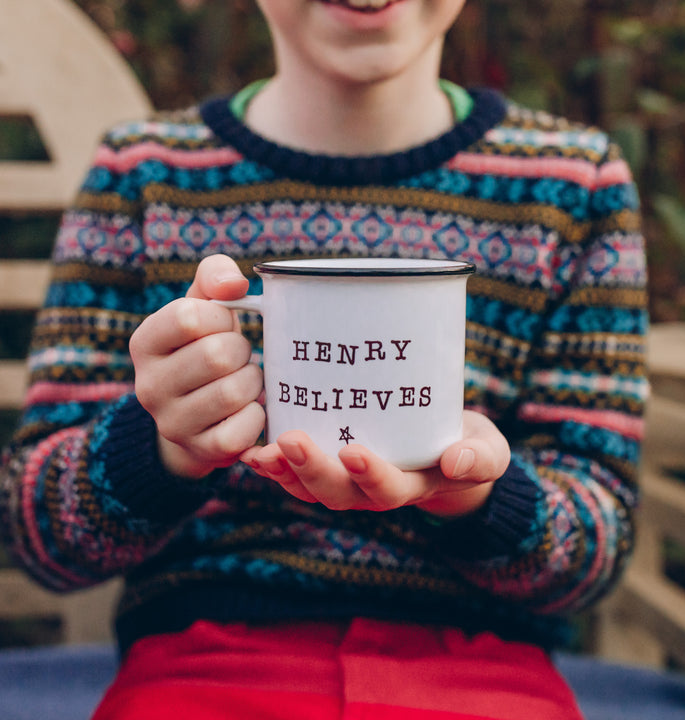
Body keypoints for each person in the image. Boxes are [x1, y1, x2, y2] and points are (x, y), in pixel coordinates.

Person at [0, 1, 648, 718]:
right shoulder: (143, 175)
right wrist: (160, 446)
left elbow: (597, 548)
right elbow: (37, 534)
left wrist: (479, 499)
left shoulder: (575, 185)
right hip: (201, 660)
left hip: (482, 667)